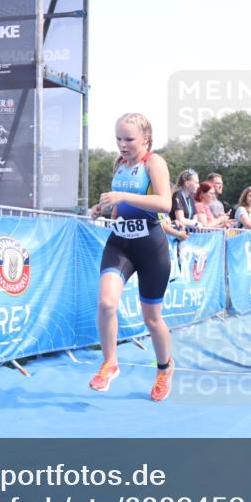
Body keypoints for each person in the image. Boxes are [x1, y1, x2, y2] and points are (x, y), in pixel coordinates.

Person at [87, 112, 176, 402]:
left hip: (151, 247)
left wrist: (122, 198)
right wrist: (103, 209)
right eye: (118, 139)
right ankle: (110, 363)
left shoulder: (154, 162)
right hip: (120, 243)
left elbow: (164, 203)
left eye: (129, 139)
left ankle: (164, 369)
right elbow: (118, 207)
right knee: (106, 302)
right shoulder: (120, 165)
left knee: (152, 319)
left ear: (146, 139)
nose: (122, 145)